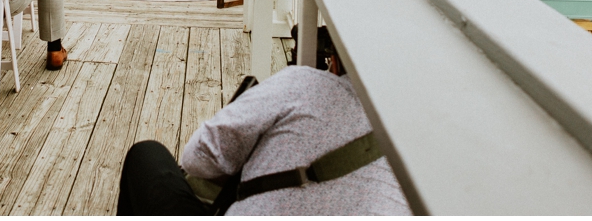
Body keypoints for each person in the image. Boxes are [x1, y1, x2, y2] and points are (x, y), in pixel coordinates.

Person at [117, 37, 410, 216]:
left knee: (146, 154)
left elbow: (197, 160)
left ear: (334, 59)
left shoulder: (303, 84)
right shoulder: (423, 144)